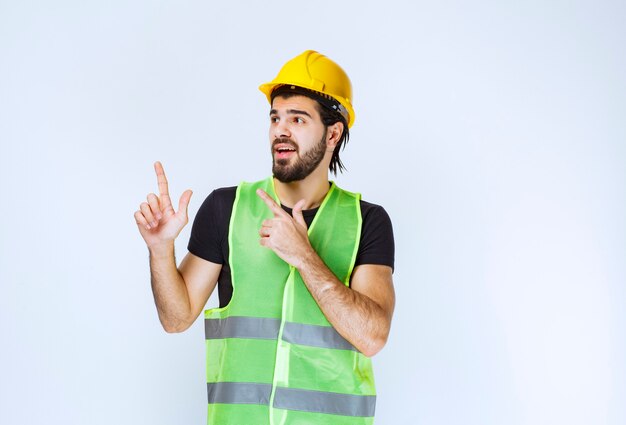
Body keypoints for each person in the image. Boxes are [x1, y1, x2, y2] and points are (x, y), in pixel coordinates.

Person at [134, 50, 395, 425]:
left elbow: (372, 337)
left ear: (333, 133)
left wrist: (304, 256)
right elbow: (176, 319)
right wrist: (160, 250)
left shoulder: (366, 221)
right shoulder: (227, 208)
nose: (280, 130)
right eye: (275, 117)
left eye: (297, 119)